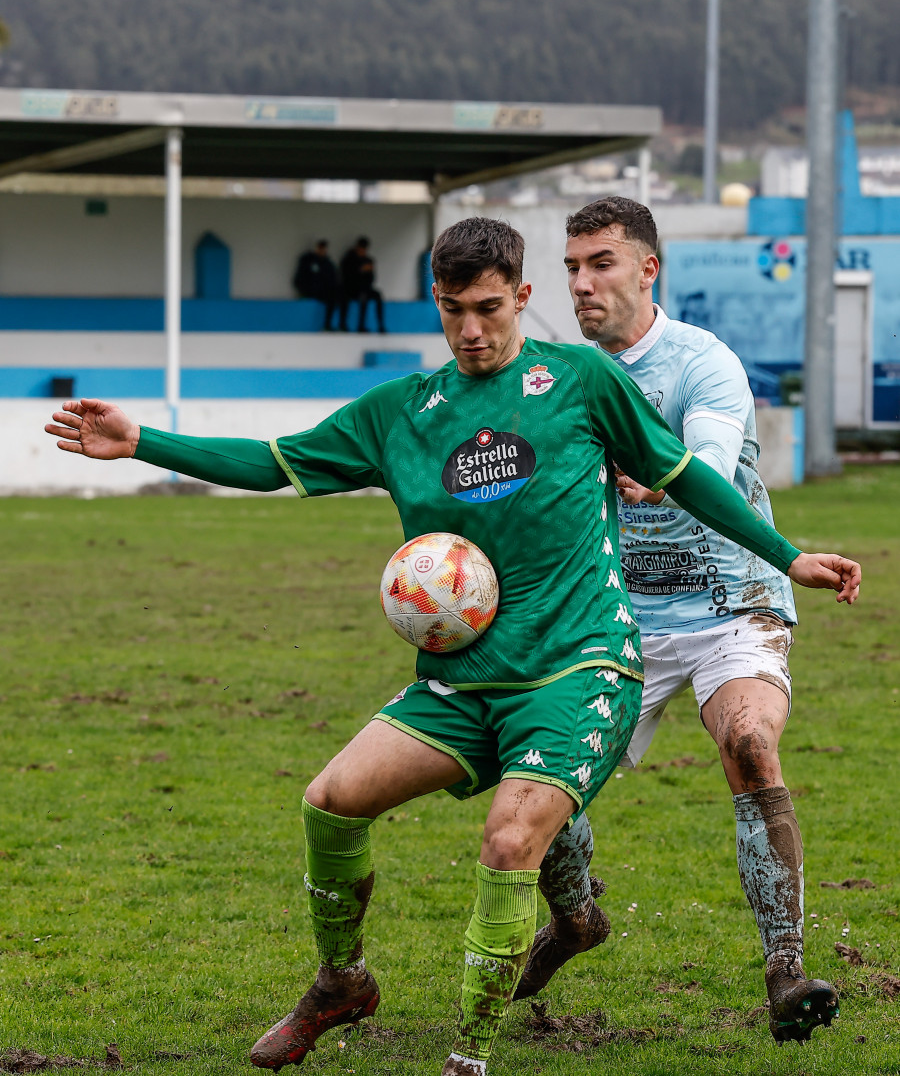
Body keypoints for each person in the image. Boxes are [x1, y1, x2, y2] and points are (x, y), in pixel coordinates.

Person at [45, 218, 860, 1075]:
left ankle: (468, 1056)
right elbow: (273, 461)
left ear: (521, 297)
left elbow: (685, 474)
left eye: (488, 309)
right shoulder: (402, 412)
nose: (471, 331)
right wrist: (141, 442)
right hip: (461, 683)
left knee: (510, 843)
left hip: (580, 669)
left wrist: (789, 555)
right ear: (434, 302)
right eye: (452, 311)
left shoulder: (579, 381)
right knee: (331, 799)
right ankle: (341, 981)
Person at [515, 196, 846, 1044]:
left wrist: (661, 474)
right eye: (572, 269)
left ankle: (785, 970)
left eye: (601, 264)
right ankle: (579, 917)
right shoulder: (557, 376)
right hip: (615, 618)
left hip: (733, 603)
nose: (583, 284)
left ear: (647, 268)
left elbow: (706, 450)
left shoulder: (701, 361)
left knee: (748, 742)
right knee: (539, 786)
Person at [339, 236, 386, 333]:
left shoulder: (368, 260)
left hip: (364, 288)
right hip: (351, 289)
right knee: (358, 296)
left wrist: (367, 272)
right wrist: (360, 270)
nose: (362, 250)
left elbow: (372, 279)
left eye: (364, 248)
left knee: (377, 295)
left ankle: (380, 325)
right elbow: (346, 276)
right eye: (361, 248)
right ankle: (349, 325)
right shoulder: (349, 259)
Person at [292, 239, 340, 332]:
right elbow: (300, 277)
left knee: (334, 297)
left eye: (324, 249)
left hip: (323, 292)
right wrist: (303, 290)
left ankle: (328, 324)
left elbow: (333, 279)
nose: (322, 251)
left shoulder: (328, 263)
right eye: (320, 248)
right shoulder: (307, 260)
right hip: (310, 291)